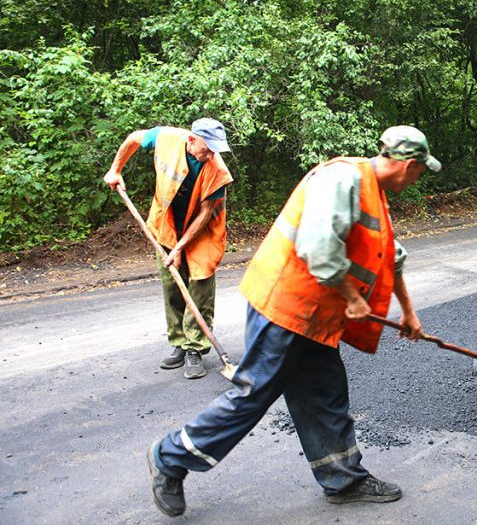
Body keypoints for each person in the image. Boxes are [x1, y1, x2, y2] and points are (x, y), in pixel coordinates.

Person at [145, 125, 441, 518]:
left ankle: (343, 478)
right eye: (421, 170)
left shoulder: (373, 193)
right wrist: (353, 300)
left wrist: (408, 312)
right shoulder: (342, 179)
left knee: (324, 392)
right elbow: (318, 250)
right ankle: (170, 457)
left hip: (315, 315)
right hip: (284, 304)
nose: (419, 177)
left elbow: (391, 257)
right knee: (256, 393)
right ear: (406, 164)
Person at [103, 119, 234, 379]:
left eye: (216, 150)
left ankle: (195, 346)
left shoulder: (217, 170)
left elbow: (206, 214)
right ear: (192, 140)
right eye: (207, 148)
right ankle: (178, 344)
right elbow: (133, 138)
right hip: (167, 222)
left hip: (202, 231)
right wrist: (115, 170)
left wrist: (180, 248)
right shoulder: (166, 138)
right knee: (172, 282)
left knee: (199, 285)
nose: (211, 155)